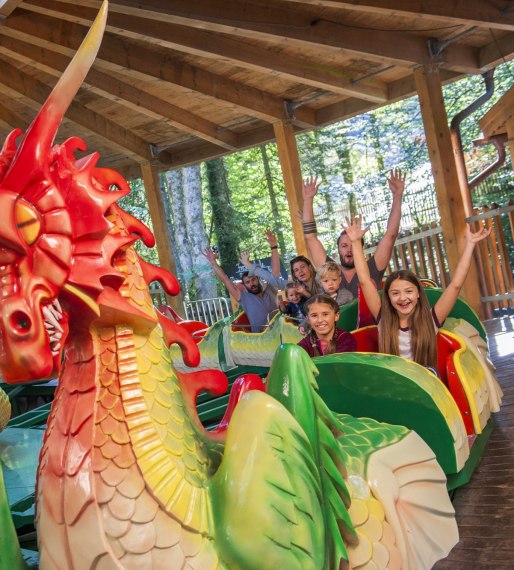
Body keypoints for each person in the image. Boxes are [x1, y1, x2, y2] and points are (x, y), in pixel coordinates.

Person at [342, 215, 491, 369]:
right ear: (388, 297)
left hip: (426, 382)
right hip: (397, 381)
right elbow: (365, 281)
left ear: (418, 293)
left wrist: (470, 245)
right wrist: (355, 242)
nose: (403, 298)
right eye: (395, 293)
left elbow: (455, 285)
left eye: (408, 291)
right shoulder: (383, 319)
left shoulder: (431, 319)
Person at [302, 169, 406, 298]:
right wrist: (307, 200)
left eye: (353, 245)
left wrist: (397, 195)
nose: (349, 250)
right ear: (338, 249)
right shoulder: (329, 270)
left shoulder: (373, 267)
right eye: (344, 246)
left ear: (360, 247)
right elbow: (311, 238)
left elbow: (391, 235)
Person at [203, 247, 278, 333]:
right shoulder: (244, 297)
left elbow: (275, 271)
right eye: (247, 282)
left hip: (280, 330)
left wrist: (274, 247)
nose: (251, 284)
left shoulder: (270, 290)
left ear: (258, 279)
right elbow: (225, 279)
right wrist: (213, 262)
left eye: (253, 279)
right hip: (261, 336)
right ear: (244, 285)